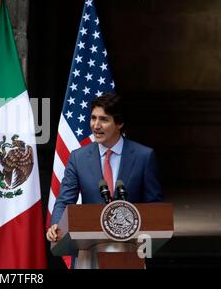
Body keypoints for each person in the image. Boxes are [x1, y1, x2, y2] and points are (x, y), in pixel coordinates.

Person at [46, 93, 163, 242]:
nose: (96, 125)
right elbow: (65, 201)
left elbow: (154, 206)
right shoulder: (78, 158)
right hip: (88, 248)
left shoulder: (144, 156)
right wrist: (56, 224)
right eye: (93, 118)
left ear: (119, 123)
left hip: (131, 248)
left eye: (104, 119)